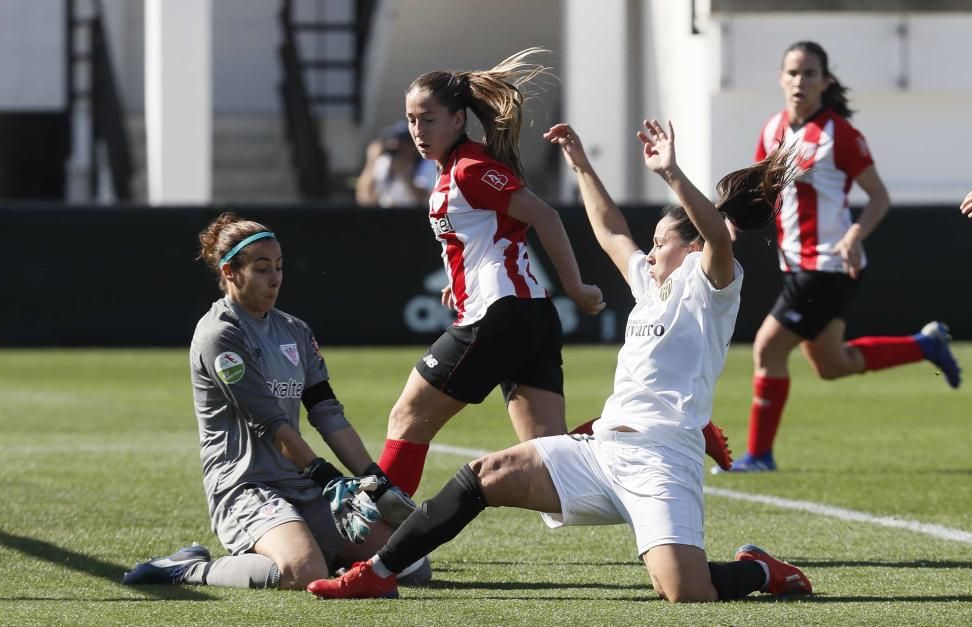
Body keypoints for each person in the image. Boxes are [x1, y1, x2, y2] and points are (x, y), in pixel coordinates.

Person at [305, 120, 812, 602]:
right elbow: (612, 232)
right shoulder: (648, 285)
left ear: (694, 247)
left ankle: (760, 568)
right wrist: (581, 166)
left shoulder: (711, 289)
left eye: (660, 244)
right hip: (601, 450)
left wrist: (671, 174)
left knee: (685, 591)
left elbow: (720, 238)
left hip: (662, 461)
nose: (649, 253)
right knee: (486, 474)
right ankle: (376, 573)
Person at [121, 212, 424, 591]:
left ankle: (312, 548)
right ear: (231, 271)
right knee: (304, 571)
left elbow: (327, 412)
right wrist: (327, 476)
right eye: (262, 268)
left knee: (409, 562)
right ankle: (189, 568)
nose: (275, 277)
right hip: (245, 486)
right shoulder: (221, 333)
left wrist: (374, 478)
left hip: (299, 483)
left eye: (279, 266)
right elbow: (268, 423)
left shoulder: (295, 330)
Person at [375, 49, 606, 498]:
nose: (417, 132)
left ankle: (375, 538)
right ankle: (648, 434)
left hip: (500, 313)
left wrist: (575, 288)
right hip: (525, 315)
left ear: (459, 120)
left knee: (407, 418)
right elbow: (484, 238)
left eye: (429, 119)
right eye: (411, 120)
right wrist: (459, 285)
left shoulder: (470, 169)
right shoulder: (454, 170)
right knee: (551, 459)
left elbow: (546, 217)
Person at [723, 41, 962, 473]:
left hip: (829, 264)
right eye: (792, 72)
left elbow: (879, 197)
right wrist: (729, 228)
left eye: (810, 73)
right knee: (832, 364)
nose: (800, 81)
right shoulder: (773, 128)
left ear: (825, 82)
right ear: (781, 79)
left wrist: (855, 232)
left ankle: (759, 456)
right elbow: (758, 194)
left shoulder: (840, 135)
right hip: (797, 265)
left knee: (767, 350)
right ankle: (924, 345)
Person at [355, 121, 438, 208]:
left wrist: (405, 175)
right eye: (393, 142)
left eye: (403, 143)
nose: (397, 147)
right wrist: (371, 162)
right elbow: (364, 199)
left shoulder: (427, 163)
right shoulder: (384, 162)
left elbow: (423, 199)